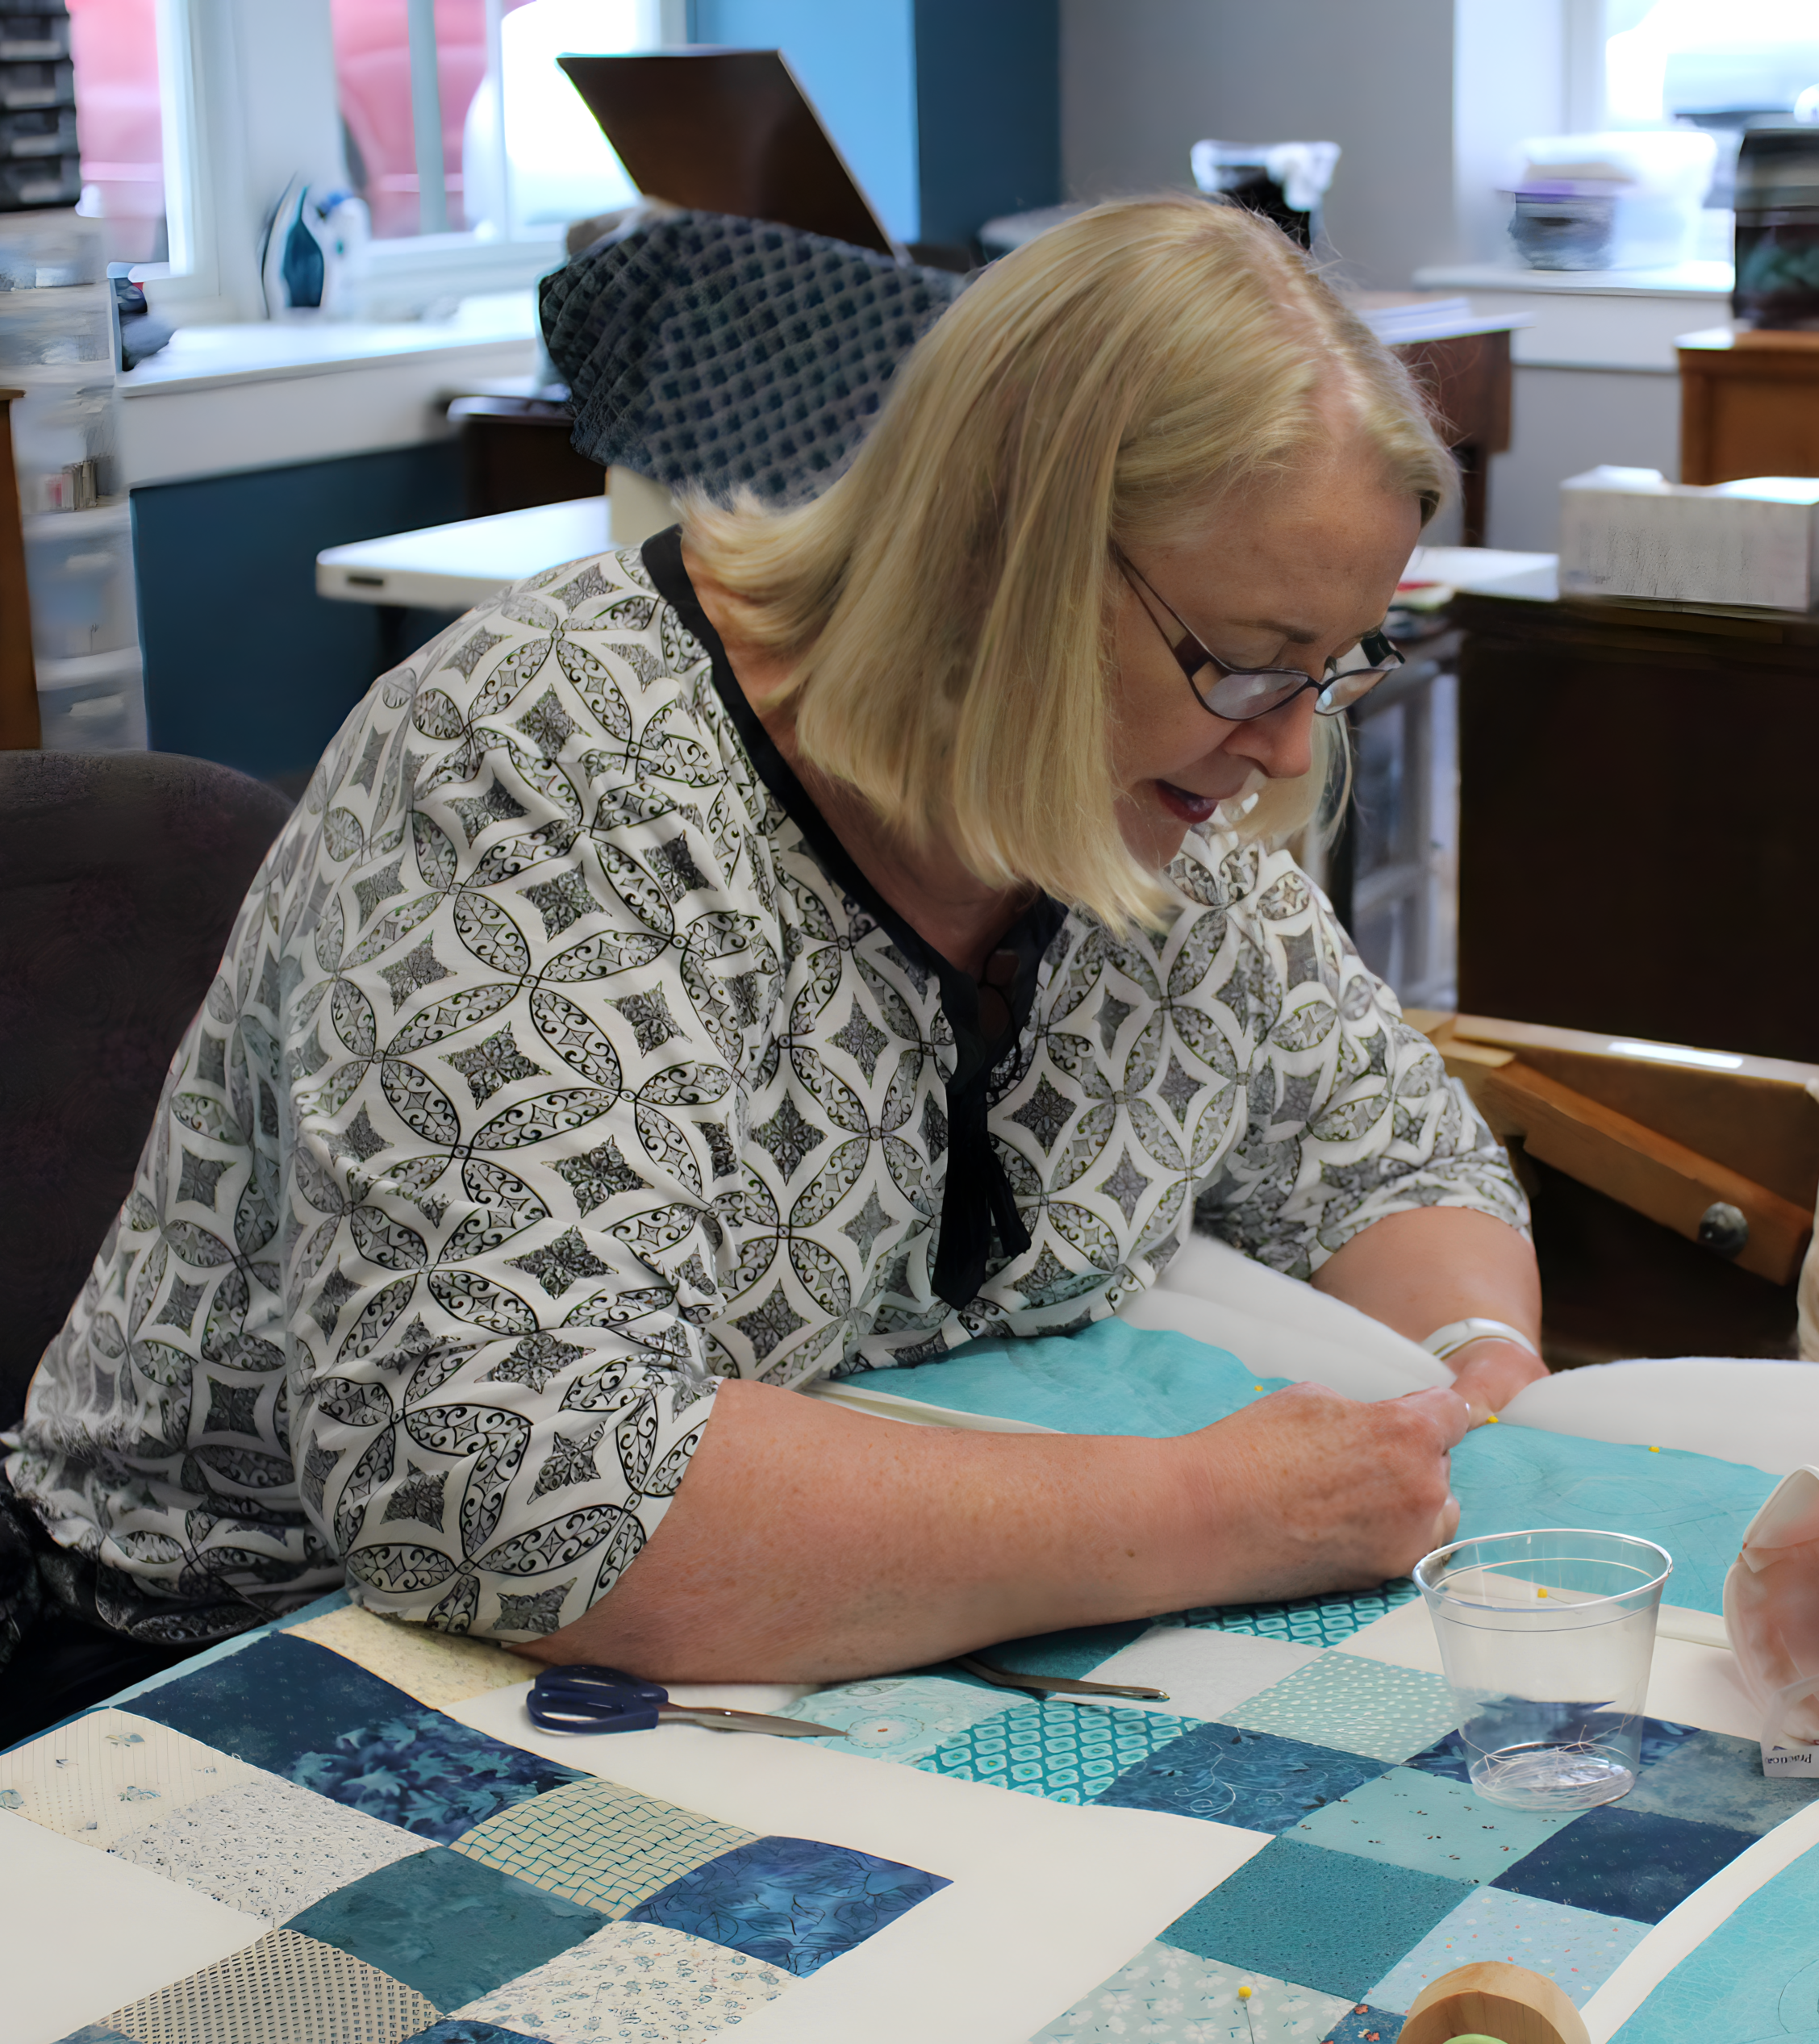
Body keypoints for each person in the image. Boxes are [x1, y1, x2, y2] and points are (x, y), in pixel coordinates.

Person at [4, 197, 1544, 1703]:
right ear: (998, 567)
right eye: (1248, 664)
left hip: (806, 1624)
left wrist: (1474, 1376)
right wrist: (1212, 1514)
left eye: (1334, 666)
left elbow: (1383, 1153)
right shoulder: (559, 753)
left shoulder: (1156, 801)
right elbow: (501, 1486)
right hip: (251, 1660)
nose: (1284, 751)